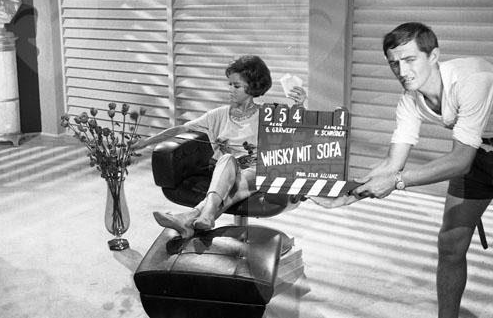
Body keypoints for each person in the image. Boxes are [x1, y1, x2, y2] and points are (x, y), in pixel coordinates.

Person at [312, 22, 493, 318]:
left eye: (410, 59)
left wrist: (397, 181)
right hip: (480, 155)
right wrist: (347, 196)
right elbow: (392, 164)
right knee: (450, 244)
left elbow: (460, 161)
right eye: (394, 63)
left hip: (469, 155)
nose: (402, 70)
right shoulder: (410, 100)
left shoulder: (472, 80)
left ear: (434, 56)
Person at [134, 55, 307, 238]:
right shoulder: (218, 115)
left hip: (257, 171)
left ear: (252, 87)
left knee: (242, 170)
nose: (230, 89)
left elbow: (300, 131)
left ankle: (192, 216)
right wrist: (145, 142)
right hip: (226, 172)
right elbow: (180, 129)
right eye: (229, 84)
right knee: (226, 160)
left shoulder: (269, 113)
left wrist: (300, 105)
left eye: (236, 86)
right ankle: (201, 218)